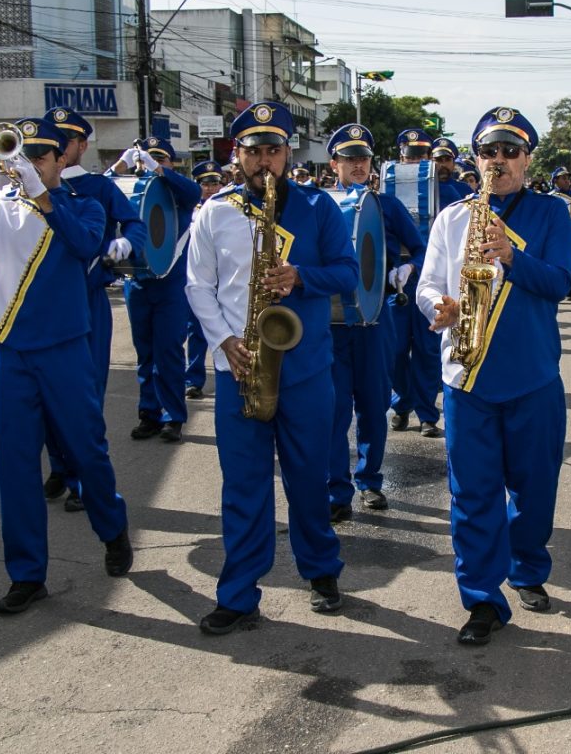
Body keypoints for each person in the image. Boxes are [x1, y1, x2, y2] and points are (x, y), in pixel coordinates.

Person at [0, 116, 133, 615]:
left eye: (38, 158)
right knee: (14, 464)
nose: (27, 166)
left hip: (65, 346)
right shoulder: (4, 206)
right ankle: (27, 574)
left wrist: (42, 196)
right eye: (21, 157)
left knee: (86, 451)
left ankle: (112, 528)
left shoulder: (84, 205)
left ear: (60, 161)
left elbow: (84, 245)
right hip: (10, 348)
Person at [186, 100, 356, 634]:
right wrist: (224, 341)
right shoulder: (216, 211)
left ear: (287, 153)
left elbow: (348, 273)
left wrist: (300, 277)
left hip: (304, 367)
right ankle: (238, 593)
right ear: (237, 155)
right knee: (243, 485)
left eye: (273, 150)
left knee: (309, 479)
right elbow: (198, 285)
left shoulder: (317, 206)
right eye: (253, 151)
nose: (264, 161)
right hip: (241, 365)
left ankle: (321, 569)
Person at [416, 106, 571, 645]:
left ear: (528, 159)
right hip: (467, 377)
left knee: (535, 490)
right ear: (474, 159)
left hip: (532, 376)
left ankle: (527, 566)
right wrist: (439, 306)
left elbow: (559, 283)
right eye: (488, 151)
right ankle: (481, 598)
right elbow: (427, 283)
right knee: (473, 494)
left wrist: (511, 254)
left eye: (510, 151)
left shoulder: (551, 214)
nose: (498, 161)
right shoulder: (452, 216)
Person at [42, 106, 147, 512]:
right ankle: (60, 466)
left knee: (86, 394)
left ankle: (83, 476)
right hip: (47, 302)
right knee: (46, 394)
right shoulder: (30, 187)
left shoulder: (99, 188)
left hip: (86, 299)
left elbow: (133, 222)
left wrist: (126, 243)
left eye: (68, 139)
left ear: (83, 145)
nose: (61, 147)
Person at [324, 124, 426, 522]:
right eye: (350, 159)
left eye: (363, 158)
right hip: (331, 322)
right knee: (333, 408)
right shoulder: (320, 204)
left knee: (373, 404)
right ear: (335, 163)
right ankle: (336, 487)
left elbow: (419, 246)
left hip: (376, 316)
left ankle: (369, 481)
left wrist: (405, 268)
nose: (358, 165)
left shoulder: (386, 206)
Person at [110, 136, 201, 443]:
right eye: (147, 159)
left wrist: (161, 171)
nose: (150, 165)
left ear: (170, 163)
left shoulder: (179, 194)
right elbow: (103, 192)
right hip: (138, 284)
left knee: (169, 351)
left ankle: (173, 416)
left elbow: (194, 191)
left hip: (171, 286)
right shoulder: (134, 194)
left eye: (161, 159)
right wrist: (120, 165)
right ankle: (148, 412)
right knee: (145, 353)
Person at [389, 128, 443, 438]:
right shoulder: (386, 189)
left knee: (427, 350)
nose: (415, 161)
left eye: (421, 156)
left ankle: (426, 414)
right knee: (394, 350)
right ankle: (401, 403)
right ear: (401, 158)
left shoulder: (447, 191)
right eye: (409, 156)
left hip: (431, 278)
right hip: (395, 281)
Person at [183, 159, 224, 400]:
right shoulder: (190, 210)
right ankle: (194, 379)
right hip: (199, 277)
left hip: (224, 279)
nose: (210, 189)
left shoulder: (228, 208)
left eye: (215, 183)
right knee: (196, 331)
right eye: (205, 184)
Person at [548, 166, 571, 249]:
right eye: (564, 178)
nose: (567, 181)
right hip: (556, 236)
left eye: (568, 178)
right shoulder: (550, 197)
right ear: (555, 180)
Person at [432, 137, 473, 204]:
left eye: (448, 160)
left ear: (454, 164)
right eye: (438, 160)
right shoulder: (425, 188)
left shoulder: (465, 189)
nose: (444, 164)